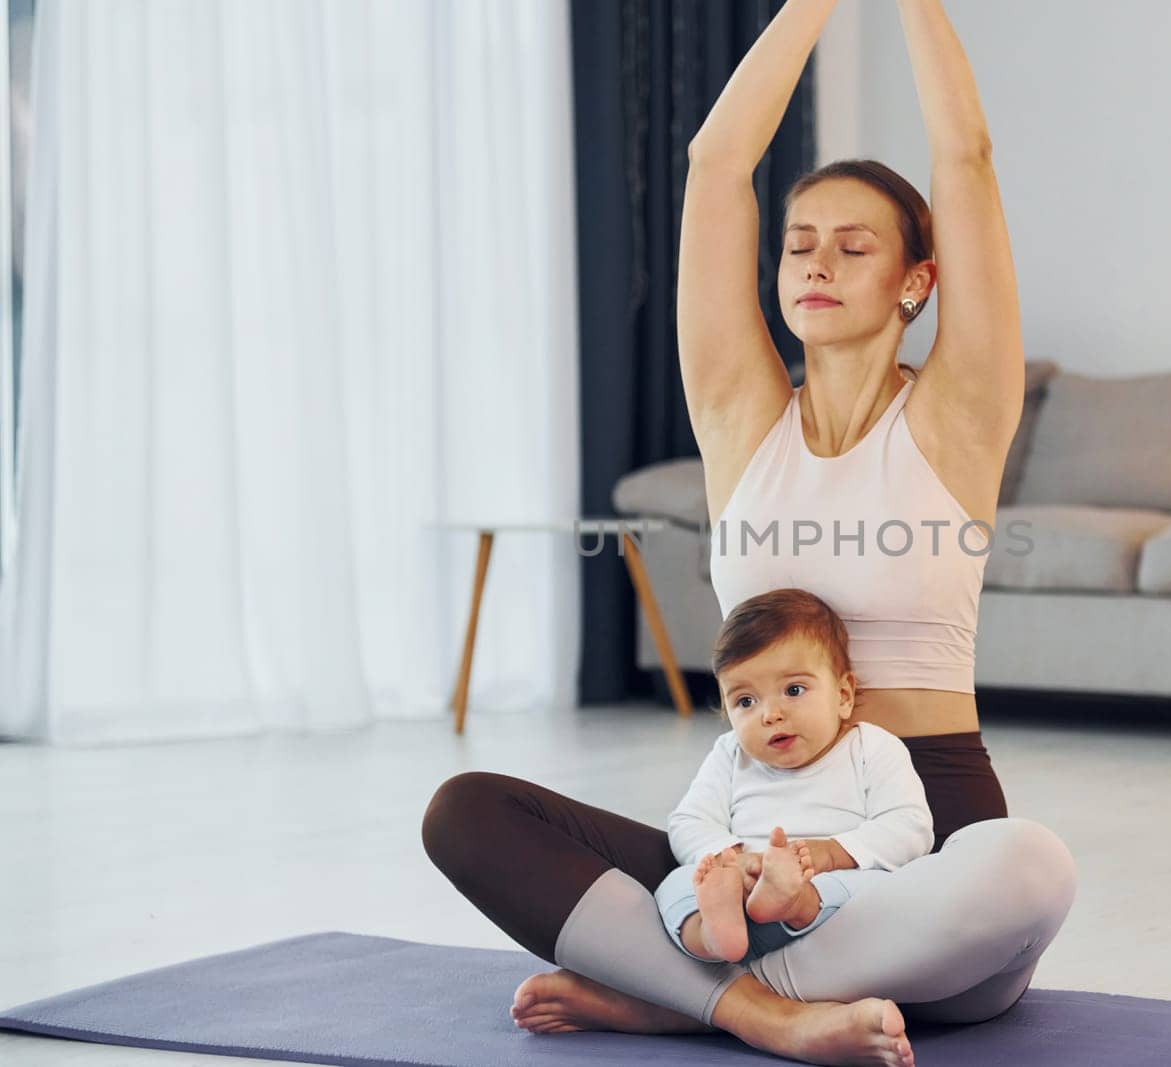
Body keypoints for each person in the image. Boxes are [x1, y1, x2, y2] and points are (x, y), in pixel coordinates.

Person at [422, 2, 1077, 1064]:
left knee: (1029, 866)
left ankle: (668, 994)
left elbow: (965, 155)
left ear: (916, 282)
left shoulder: (958, 415)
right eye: (799, 244)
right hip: (743, 847)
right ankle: (767, 1011)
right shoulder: (741, 418)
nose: (815, 261)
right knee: (465, 809)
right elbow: (718, 163)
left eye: (852, 246)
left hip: (920, 828)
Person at [655, 588, 934, 965]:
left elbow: (910, 827)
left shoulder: (871, 748)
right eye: (745, 701)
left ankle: (795, 903)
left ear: (843, 695)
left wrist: (832, 854)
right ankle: (712, 936)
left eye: (793, 690)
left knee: (876, 888)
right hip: (742, 892)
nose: (770, 714)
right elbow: (690, 820)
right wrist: (733, 858)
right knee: (676, 885)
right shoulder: (730, 754)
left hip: (826, 897)